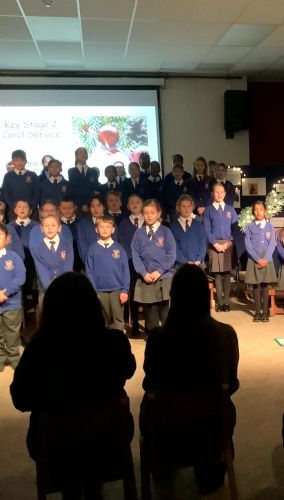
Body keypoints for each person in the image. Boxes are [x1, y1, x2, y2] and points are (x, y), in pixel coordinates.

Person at [10, 272, 136, 461]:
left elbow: (20, 399)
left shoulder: (37, 350)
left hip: (55, 448)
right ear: (94, 305)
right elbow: (129, 369)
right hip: (109, 439)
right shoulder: (114, 342)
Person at [140, 264, 239, 497]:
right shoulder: (226, 334)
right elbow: (232, 383)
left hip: (166, 433)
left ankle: (164, 466)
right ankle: (212, 468)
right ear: (206, 296)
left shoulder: (157, 339)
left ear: (172, 296)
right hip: (212, 430)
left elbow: (149, 384)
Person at [131, 199, 176, 334]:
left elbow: (171, 254)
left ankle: (168, 339)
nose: (149, 216)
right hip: (146, 279)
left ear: (159, 213)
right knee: (150, 313)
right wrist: (143, 273)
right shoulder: (138, 233)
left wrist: (160, 271)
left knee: (165, 312)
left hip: (163, 277)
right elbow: (135, 255)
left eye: (152, 212)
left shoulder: (166, 232)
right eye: (146, 213)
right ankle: (153, 339)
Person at [86, 216, 130, 332]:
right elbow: (89, 271)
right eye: (101, 227)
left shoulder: (119, 249)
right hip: (99, 290)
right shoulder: (92, 249)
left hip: (117, 289)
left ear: (113, 229)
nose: (105, 229)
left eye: (107, 227)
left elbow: (125, 270)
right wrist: (93, 290)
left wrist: (125, 290)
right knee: (102, 319)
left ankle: (118, 340)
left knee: (118, 319)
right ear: (96, 230)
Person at [203, 184, 238, 312]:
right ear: (212, 194)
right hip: (215, 245)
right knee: (217, 274)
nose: (219, 194)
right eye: (216, 192)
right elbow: (207, 230)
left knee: (227, 273)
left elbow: (235, 229)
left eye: (221, 192)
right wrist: (215, 244)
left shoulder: (230, 209)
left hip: (228, 245)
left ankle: (226, 302)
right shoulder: (208, 210)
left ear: (225, 194)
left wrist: (229, 243)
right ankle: (220, 302)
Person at [244, 201, 277, 322]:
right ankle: (257, 312)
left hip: (267, 259)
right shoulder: (249, 226)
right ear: (253, 212)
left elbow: (272, 243)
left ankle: (265, 312)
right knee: (256, 285)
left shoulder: (270, 226)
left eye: (261, 209)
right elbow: (248, 245)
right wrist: (257, 259)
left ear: (265, 212)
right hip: (254, 259)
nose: (258, 212)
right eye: (256, 209)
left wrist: (266, 258)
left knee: (265, 285)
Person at [31, 214, 74, 305]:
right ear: (42, 229)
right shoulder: (37, 249)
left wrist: (63, 285)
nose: (49, 228)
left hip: (65, 287)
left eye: (53, 225)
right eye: (46, 225)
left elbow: (68, 267)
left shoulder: (67, 246)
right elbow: (41, 270)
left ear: (59, 228)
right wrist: (50, 288)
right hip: (46, 289)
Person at [0, 223, 26, 371]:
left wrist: (5, 293)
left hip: (11, 303)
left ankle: (14, 357)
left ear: (7, 239)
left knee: (12, 332)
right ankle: (0, 357)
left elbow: (20, 277)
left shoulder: (13, 257)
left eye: (0, 236)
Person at [117, 194, 144, 336]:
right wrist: (133, 258)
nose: (135, 204)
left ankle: (149, 323)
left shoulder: (148, 221)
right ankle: (134, 323)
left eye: (137, 202)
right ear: (127, 206)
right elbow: (122, 242)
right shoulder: (123, 223)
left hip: (147, 263)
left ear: (142, 204)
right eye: (131, 202)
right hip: (130, 263)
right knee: (133, 293)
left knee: (146, 292)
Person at [169, 194, 206, 269]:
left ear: (192, 207)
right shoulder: (173, 227)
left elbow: (202, 244)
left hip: (198, 264)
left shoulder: (199, 225)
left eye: (189, 206)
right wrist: (185, 262)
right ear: (178, 208)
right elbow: (174, 247)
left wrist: (198, 260)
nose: (186, 209)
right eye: (183, 206)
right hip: (180, 265)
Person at [2, 150, 41, 219]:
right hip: (14, 211)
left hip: (31, 211)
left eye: (22, 160)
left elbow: (37, 192)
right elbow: (5, 193)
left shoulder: (32, 175)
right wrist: (14, 207)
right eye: (16, 160)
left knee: (33, 226)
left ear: (26, 161)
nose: (19, 163)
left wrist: (31, 208)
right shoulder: (8, 176)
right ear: (12, 162)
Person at [68, 147, 99, 215]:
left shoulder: (93, 171)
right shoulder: (71, 171)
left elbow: (95, 189)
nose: (83, 154)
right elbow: (73, 189)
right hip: (77, 206)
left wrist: (88, 204)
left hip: (91, 206)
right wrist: (79, 204)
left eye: (85, 153)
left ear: (87, 156)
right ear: (76, 156)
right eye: (80, 153)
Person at [77, 194, 105, 263]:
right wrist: (89, 262)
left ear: (104, 207)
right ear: (89, 208)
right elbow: (82, 246)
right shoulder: (82, 224)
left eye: (99, 205)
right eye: (92, 206)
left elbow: (114, 244)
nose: (96, 209)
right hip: (89, 263)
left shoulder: (111, 223)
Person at [59, 196, 83, 272]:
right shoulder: (56, 224)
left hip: (78, 261)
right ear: (59, 208)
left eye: (70, 208)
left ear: (75, 208)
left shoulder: (81, 223)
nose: (67, 211)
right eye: (64, 208)